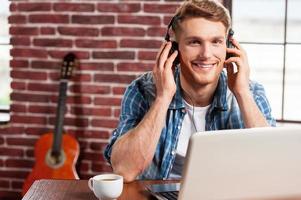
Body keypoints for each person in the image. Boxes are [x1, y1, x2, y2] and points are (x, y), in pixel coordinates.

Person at [104, 0, 276, 182]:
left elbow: (274, 166)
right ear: (174, 49)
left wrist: (242, 94)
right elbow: (124, 170)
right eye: (195, 42)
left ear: (229, 47)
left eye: (216, 42)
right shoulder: (142, 90)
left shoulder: (251, 92)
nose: (206, 54)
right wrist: (163, 98)